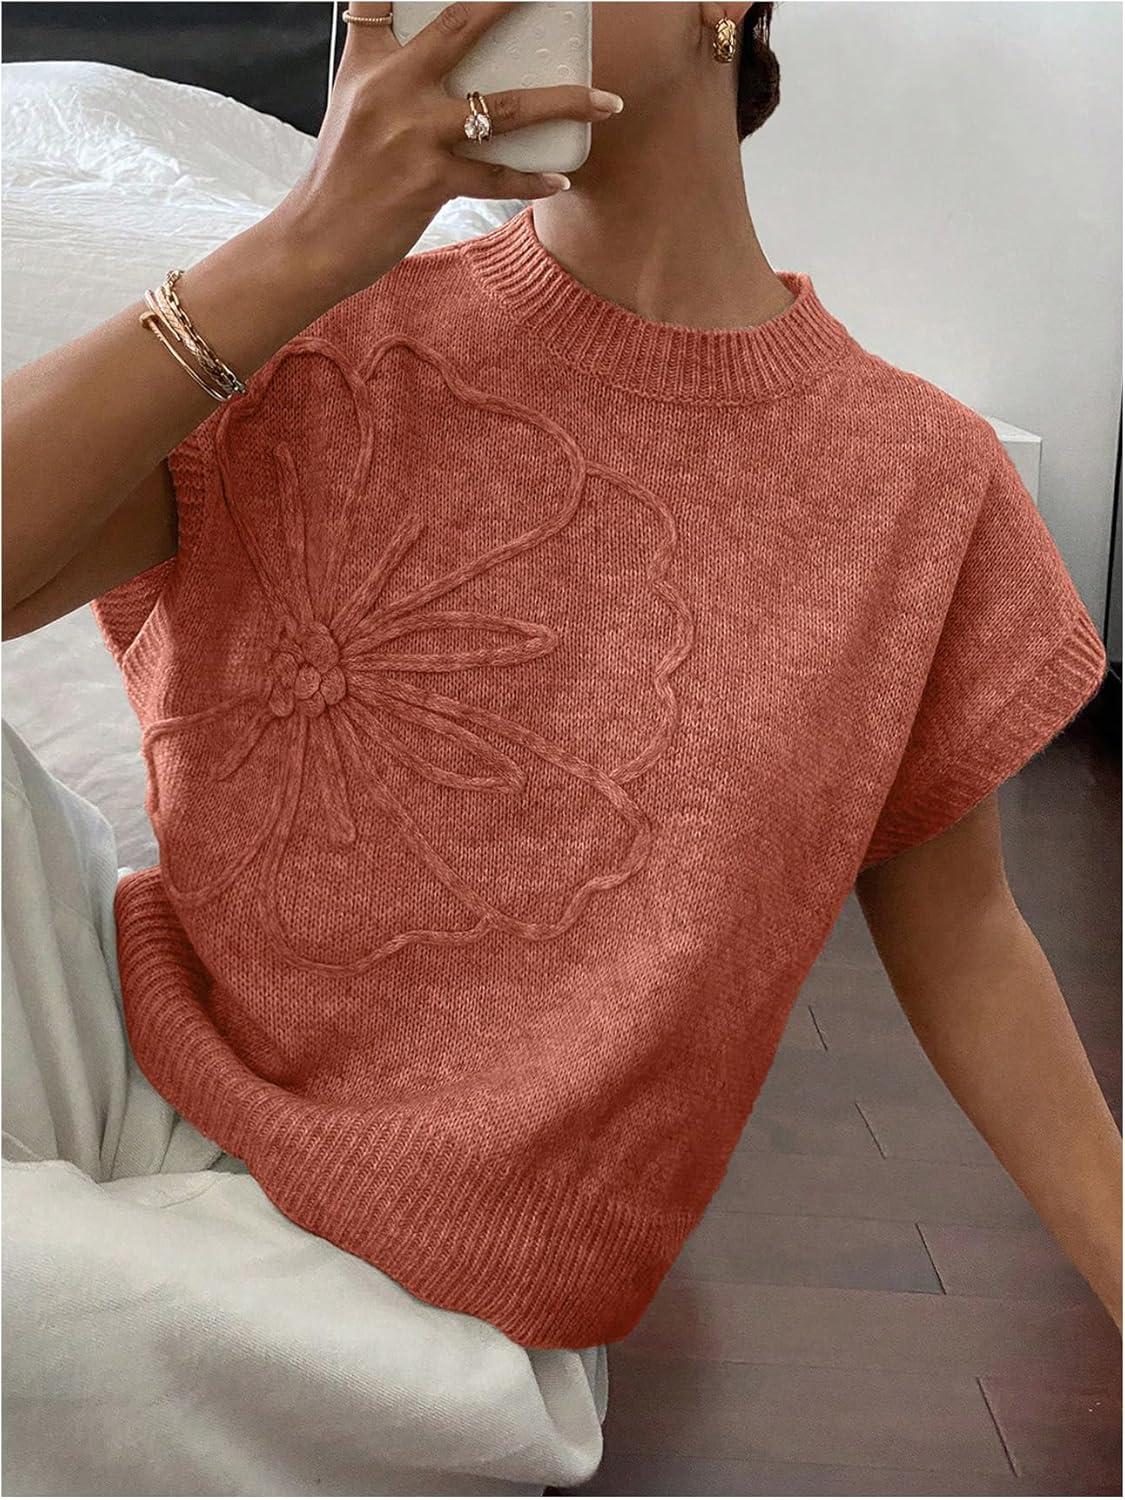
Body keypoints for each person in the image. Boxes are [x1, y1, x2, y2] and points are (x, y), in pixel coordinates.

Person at [2, 2, 1120, 1494]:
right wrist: (301, 245)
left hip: (416, 1290)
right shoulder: (314, 326)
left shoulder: (917, 482)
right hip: (132, 1067)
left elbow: (967, 936)